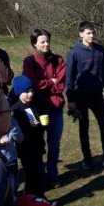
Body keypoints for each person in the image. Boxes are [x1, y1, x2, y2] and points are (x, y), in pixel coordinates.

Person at [65, 21, 104, 170]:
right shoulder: (74, 53)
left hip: (97, 95)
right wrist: (70, 99)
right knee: (84, 127)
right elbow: (68, 78)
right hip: (80, 96)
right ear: (81, 34)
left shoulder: (101, 51)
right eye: (88, 33)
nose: (92, 35)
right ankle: (87, 159)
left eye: (93, 32)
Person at [23, 29, 66, 188]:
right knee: (38, 145)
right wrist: (50, 82)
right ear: (34, 43)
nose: (46, 44)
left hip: (55, 109)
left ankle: (53, 176)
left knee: (54, 145)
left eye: (48, 41)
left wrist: (46, 84)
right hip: (38, 110)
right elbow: (32, 84)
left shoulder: (59, 60)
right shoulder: (30, 61)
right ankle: (39, 177)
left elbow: (60, 85)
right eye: (42, 42)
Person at [8, 75, 46, 196]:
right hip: (26, 148)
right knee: (31, 174)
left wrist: (42, 123)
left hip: (38, 145)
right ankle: (33, 198)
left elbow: (40, 125)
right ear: (19, 92)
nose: (30, 94)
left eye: (32, 91)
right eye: (26, 92)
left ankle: (40, 197)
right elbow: (15, 131)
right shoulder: (16, 110)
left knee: (39, 172)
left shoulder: (35, 105)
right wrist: (29, 126)